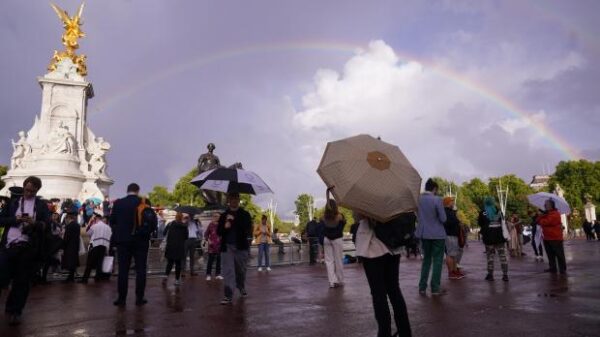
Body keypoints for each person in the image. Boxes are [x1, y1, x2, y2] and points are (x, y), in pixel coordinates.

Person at [0, 176, 50, 326]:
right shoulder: (13, 203)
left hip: (28, 247)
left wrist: (35, 224)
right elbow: (1, 220)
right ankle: (10, 306)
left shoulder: (41, 206)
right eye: (27, 190)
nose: (29, 193)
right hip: (9, 246)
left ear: (37, 191)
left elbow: (46, 225)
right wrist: (16, 220)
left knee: (22, 282)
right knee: (2, 278)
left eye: (32, 191)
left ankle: (16, 311)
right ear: (23, 188)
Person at [355, 212, 412, 337]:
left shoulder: (365, 197)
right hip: (392, 246)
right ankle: (405, 331)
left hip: (371, 248)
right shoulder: (392, 197)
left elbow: (358, 217)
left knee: (378, 293)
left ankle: (384, 332)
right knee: (394, 290)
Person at [110, 183, 153, 307]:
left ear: (127, 190)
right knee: (141, 270)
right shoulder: (144, 202)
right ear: (138, 191)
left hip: (123, 241)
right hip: (141, 240)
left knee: (123, 270)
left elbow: (112, 221)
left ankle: (121, 298)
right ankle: (140, 297)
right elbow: (151, 221)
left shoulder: (118, 203)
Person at [217, 193, 253, 305]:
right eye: (232, 198)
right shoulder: (223, 216)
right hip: (227, 246)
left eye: (236, 198)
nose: (234, 200)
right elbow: (219, 232)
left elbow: (247, 228)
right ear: (228, 200)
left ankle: (241, 286)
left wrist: (234, 220)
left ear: (239, 200)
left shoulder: (245, 214)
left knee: (240, 271)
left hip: (241, 247)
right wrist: (225, 226)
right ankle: (228, 295)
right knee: (228, 271)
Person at [416, 179, 447, 296]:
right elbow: (443, 219)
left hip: (424, 234)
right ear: (434, 189)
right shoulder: (437, 200)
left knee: (426, 260)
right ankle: (435, 287)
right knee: (438, 261)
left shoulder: (418, 200)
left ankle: (422, 286)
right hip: (437, 234)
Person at [320, 188, 346, 289]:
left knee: (329, 261)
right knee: (338, 260)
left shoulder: (323, 217)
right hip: (337, 239)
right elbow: (342, 225)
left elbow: (322, 228)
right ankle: (340, 280)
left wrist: (327, 191)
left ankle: (332, 282)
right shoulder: (339, 216)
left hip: (327, 239)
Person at [479, 197, 509, 282]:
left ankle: (490, 274)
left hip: (489, 238)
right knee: (503, 256)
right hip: (500, 237)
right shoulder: (499, 211)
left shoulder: (483, 212)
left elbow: (480, 223)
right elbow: (503, 222)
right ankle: (505, 274)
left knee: (490, 257)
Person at [80, 213, 112, 283]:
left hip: (95, 245)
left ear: (96, 219)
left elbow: (88, 233)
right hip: (104, 246)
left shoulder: (95, 226)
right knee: (99, 263)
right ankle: (98, 278)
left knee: (89, 263)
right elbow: (110, 237)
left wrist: (90, 223)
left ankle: (85, 279)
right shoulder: (108, 227)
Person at [537, 199, 567, 275]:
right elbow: (538, 221)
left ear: (551, 205)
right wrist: (542, 216)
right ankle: (553, 268)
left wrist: (541, 217)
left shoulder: (555, 214)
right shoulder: (547, 214)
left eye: (546, 204)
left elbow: (546, 222)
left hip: (555, 237)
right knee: (550, 254)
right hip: (547, 237)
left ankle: (562, 269)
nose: (544, 206)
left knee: (559, 254)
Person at [162, 213, 189, 286]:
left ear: (175, 217)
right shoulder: (184, 226)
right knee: (178, 264)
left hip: (170, 246)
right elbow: (186, 237)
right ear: (181, 218)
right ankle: (177, 280)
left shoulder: (170, 224)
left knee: (169, 263)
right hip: (179, 247)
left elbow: (164, 233)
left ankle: (166, 276)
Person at [443, 197, 464, 280]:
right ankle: (451, 272)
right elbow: (448, 222)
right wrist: (457, 223)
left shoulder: (451, 211)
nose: (453, 203)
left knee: (454, 254)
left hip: (454, 234)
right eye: (452, 201)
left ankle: (455, 270)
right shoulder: (446, 212)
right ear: (448, 203)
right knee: (450, 254)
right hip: (449, 234)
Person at [61, 208, 81, 283]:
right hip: (75, 245)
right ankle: (71, 277)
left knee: (70, 262)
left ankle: (70, 278)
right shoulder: (77, 225)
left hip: (69, 246)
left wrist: (63, 246)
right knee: (73, 262)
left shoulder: (69, 226)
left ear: (68, 218)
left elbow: (66, 237)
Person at [204, 212, 223, 281]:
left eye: (218, 216)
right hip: (212, 246)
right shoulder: (210, 225)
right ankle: (208, 274)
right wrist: (208, 240)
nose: (217, 217)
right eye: (215, 216)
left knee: (219, 261)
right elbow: (206, 234)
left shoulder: (221, 225)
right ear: (213, 217)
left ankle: (218, 274)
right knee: (210, 261)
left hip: (219, 245)